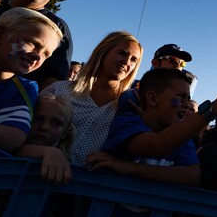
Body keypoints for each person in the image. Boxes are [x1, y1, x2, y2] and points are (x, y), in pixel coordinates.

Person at [84, 68, 202, 217]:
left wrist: (129, 169)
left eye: (189, 98)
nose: (186, 104)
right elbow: (153, 146)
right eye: (181, 97)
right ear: (152, 98)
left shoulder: (180, 138)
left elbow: (192, 175)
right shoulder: (127, 123)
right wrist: (212, 112)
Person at [41, 31, 143, 165]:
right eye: (122, 53)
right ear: (103, 52)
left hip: (93, 182)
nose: (126, 61)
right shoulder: (60, 90)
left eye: (133, 59)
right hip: (42, 175)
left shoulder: (131, 105)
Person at [0, 8, 62, 153]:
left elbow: (14, 136)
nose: (38, 57)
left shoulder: (23, 89)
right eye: (33, 43)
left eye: (46, 54)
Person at [16, 94, 75, 185]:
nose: (44, 127)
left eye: (55, 123)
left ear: (65, 133)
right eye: (38, 119)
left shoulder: (68, 169)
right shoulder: (6, 142)